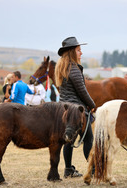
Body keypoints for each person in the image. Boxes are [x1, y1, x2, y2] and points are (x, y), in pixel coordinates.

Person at [55, 36, 96, 178]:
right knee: (88, 139)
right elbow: (82, 91)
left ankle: (68, 170)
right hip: (77, 110)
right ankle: (94, 170)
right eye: (79, 50)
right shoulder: (73, 69)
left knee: (69, 140)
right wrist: (92, 105)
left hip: (65, 110)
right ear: (72, 52)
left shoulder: (62, 67)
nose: (81, 53)